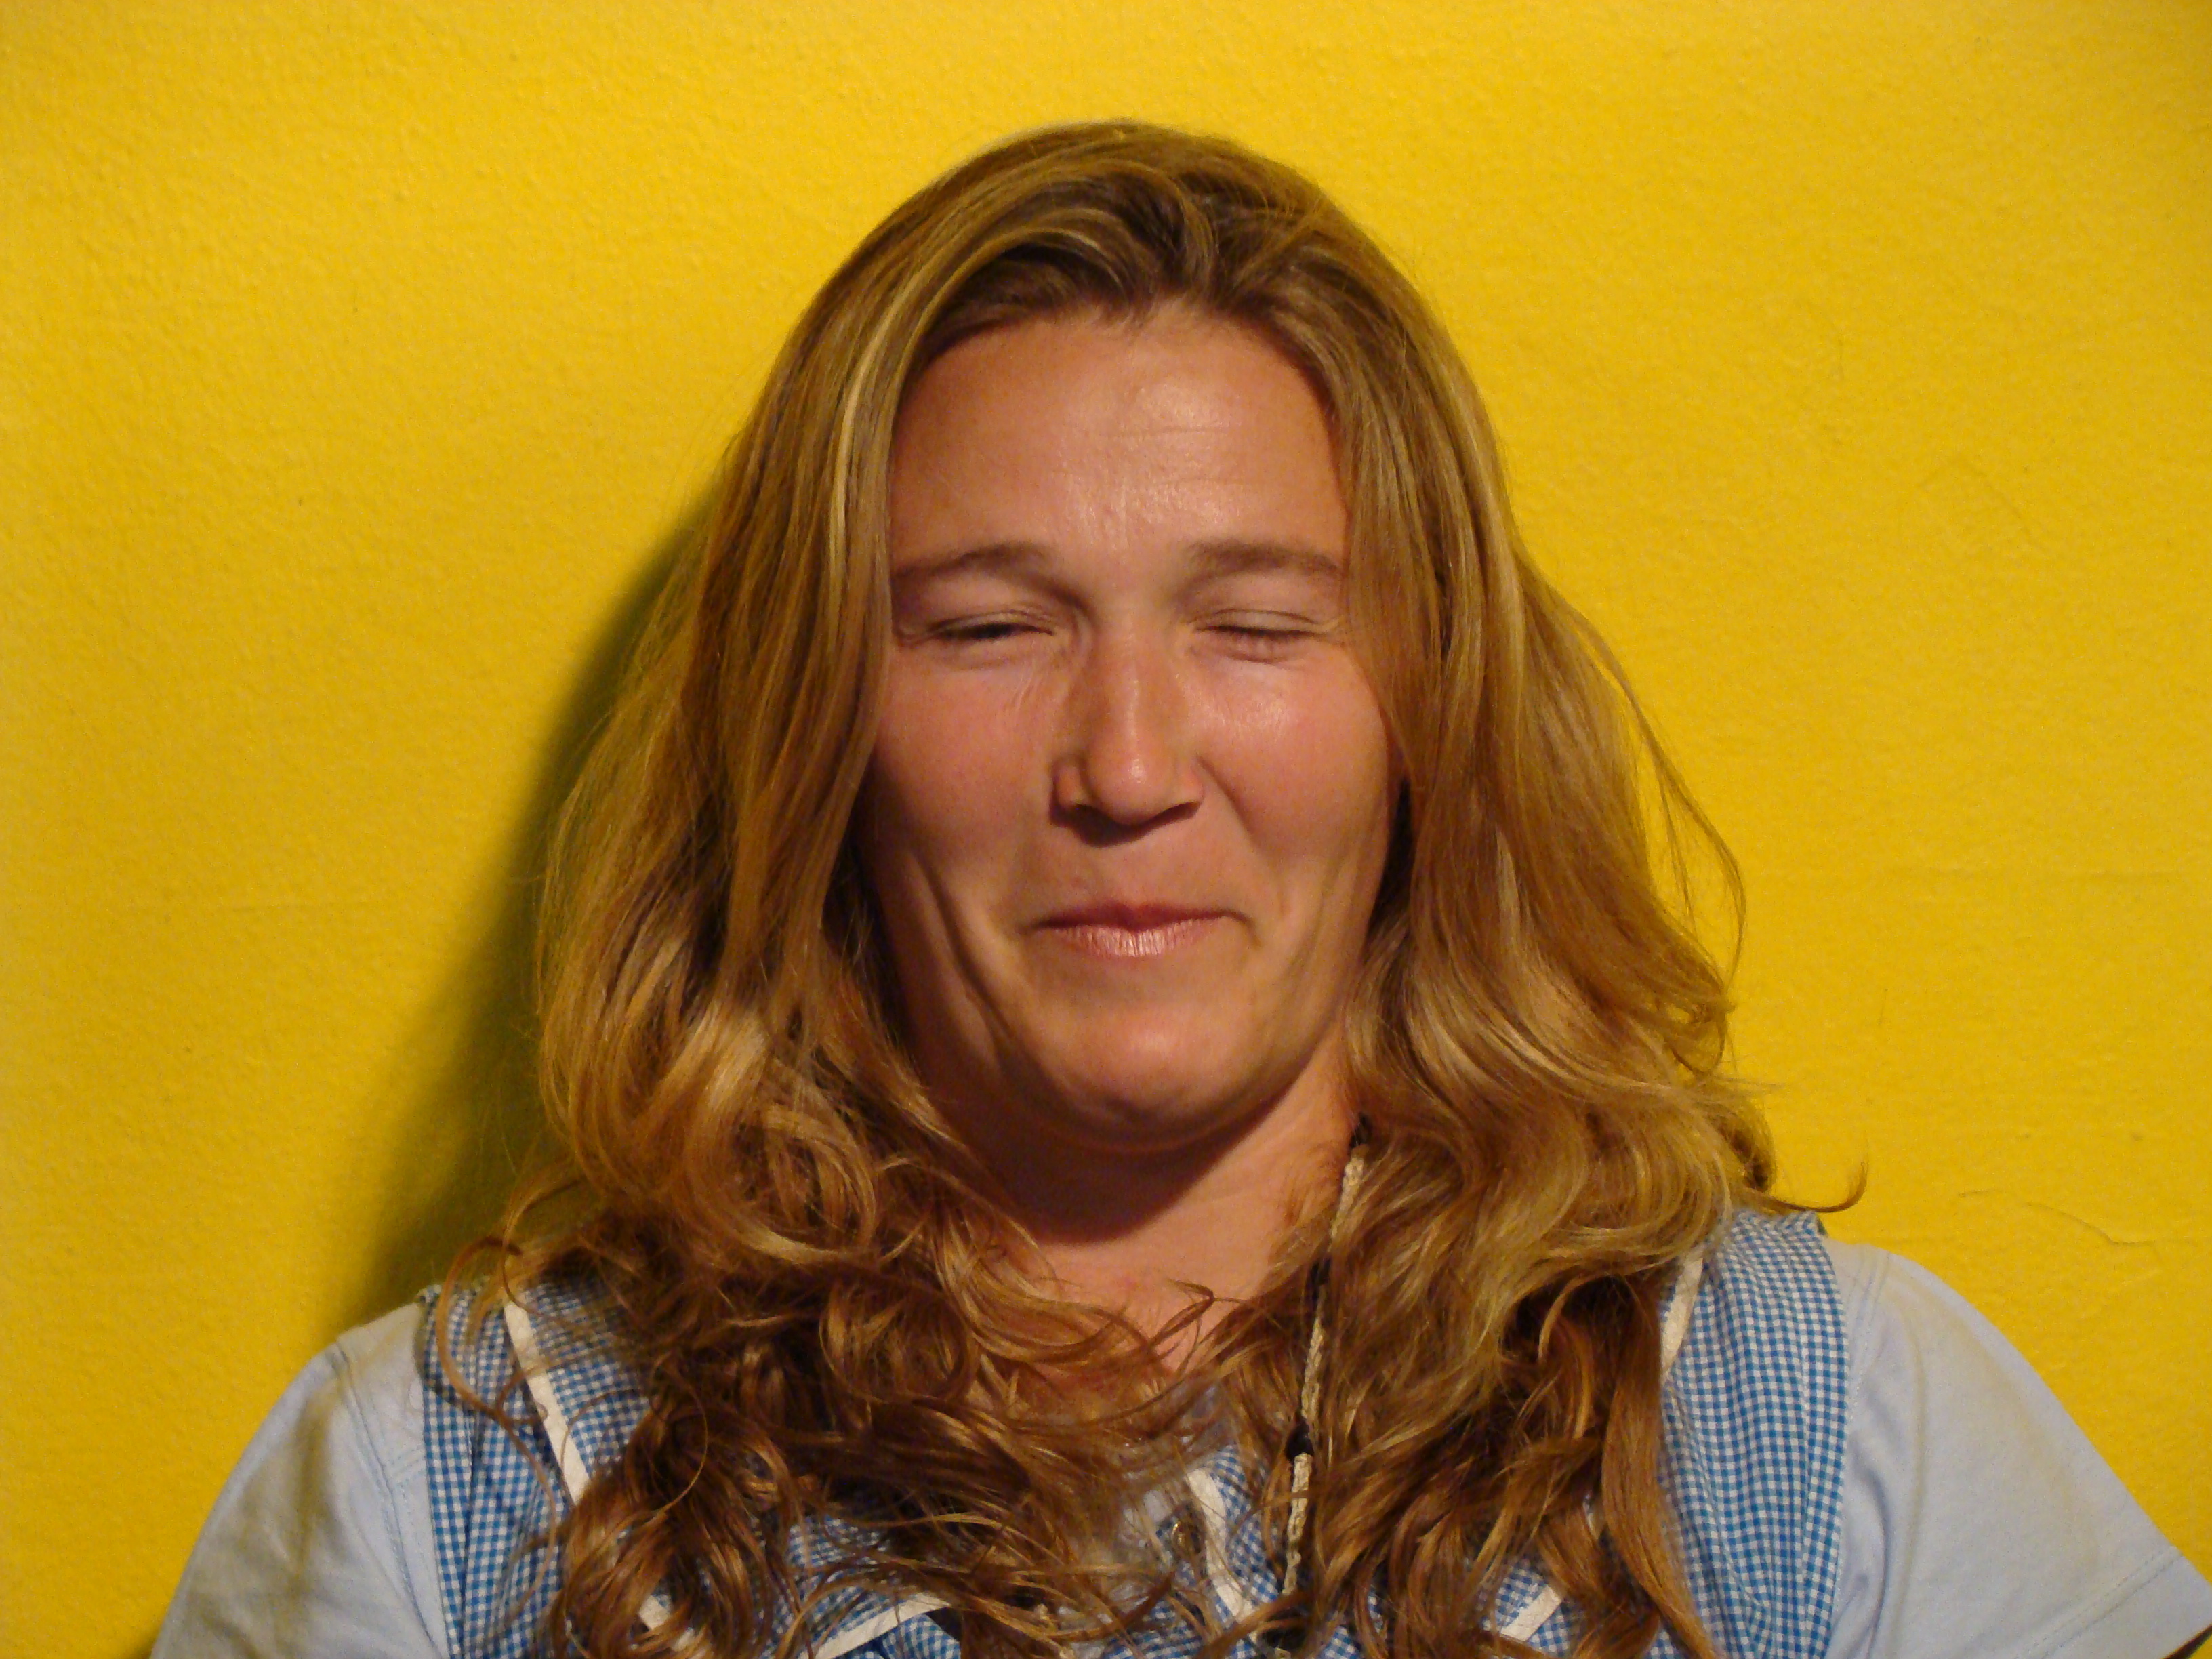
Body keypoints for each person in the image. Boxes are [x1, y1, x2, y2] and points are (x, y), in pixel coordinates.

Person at [152, 123, 2209, 1659]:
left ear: (1428, 712)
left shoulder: (1836, 1429)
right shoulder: (443, 1488)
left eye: (1258, 626)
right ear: (808, 729)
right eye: (986, 626)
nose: (1129, 769)